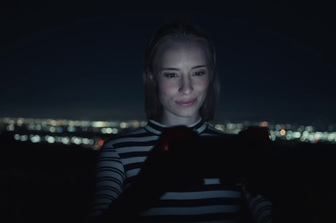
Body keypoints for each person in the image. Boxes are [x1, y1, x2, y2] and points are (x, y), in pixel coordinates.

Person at [87, 21, 273, 223]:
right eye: (172, 74)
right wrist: (145, 190)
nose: (186, 88)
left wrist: (275, 180)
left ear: (211, 75)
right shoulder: (118, 152)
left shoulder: (235, 149)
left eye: (198, 73)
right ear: (151, 77)